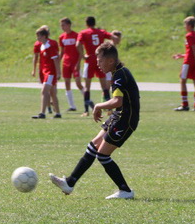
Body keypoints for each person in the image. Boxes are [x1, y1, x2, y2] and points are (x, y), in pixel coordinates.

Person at [49, 41, 139, 200]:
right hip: (118, 116)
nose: (97, 64)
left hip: (125, 120)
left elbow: (118, 101)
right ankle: (70, 183)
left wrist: (98, 106)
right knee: (93, 145)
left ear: (110, 61)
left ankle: (125, 190)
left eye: (100, 61)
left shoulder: (119, 74)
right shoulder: (118, 72)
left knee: (102, 155)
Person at [77, 16, 121, 116]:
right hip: (100, 60)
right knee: (104, 86)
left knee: (87, 87)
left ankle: (86, 111)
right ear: (94, 23)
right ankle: (109, 110)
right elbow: (115, 38)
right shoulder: (100, 32)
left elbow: (77, 44)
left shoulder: (83, 33)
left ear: (86, 24)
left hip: (89, 61)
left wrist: (83, 56)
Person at [172, 16, 195, 111]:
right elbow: (194, 51)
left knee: (182, 80)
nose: (184, 26)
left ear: (189, 25)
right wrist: (182, 55)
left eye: (185, 24)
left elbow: (193, 49)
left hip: (189, 62)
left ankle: (185, 104)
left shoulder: (189, 35)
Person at [31, 26, 62, 119]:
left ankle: (42, 113)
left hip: (50, 72)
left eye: (39, 36)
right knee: (52, 93)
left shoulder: (50, 45)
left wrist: (58, 72)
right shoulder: (41, 45)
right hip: (45, 72)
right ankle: (58, 113)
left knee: (44, 91)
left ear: (44, 36)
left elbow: (56, 60)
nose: (37, 38)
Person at [58, 17, 84, 112]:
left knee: (78, 83)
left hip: (75, 63)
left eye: (63, 25)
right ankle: (72, 106)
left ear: (69, 25)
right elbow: (62, 51)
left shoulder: (76, 35)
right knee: (67, 83)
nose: (62, 27)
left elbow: (81, 51)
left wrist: (79, 63)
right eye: (61, 25)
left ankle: (88, 101)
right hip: (66, 63)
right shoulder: (61, 37)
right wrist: (58, 61)